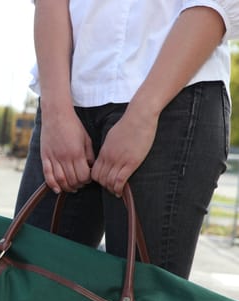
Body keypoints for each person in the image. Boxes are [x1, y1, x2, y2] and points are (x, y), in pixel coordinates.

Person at [15, 0, 239, 279]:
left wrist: (143, 115)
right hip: (68, 94)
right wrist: (56, 113)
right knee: (27, 285)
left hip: (173, 99)